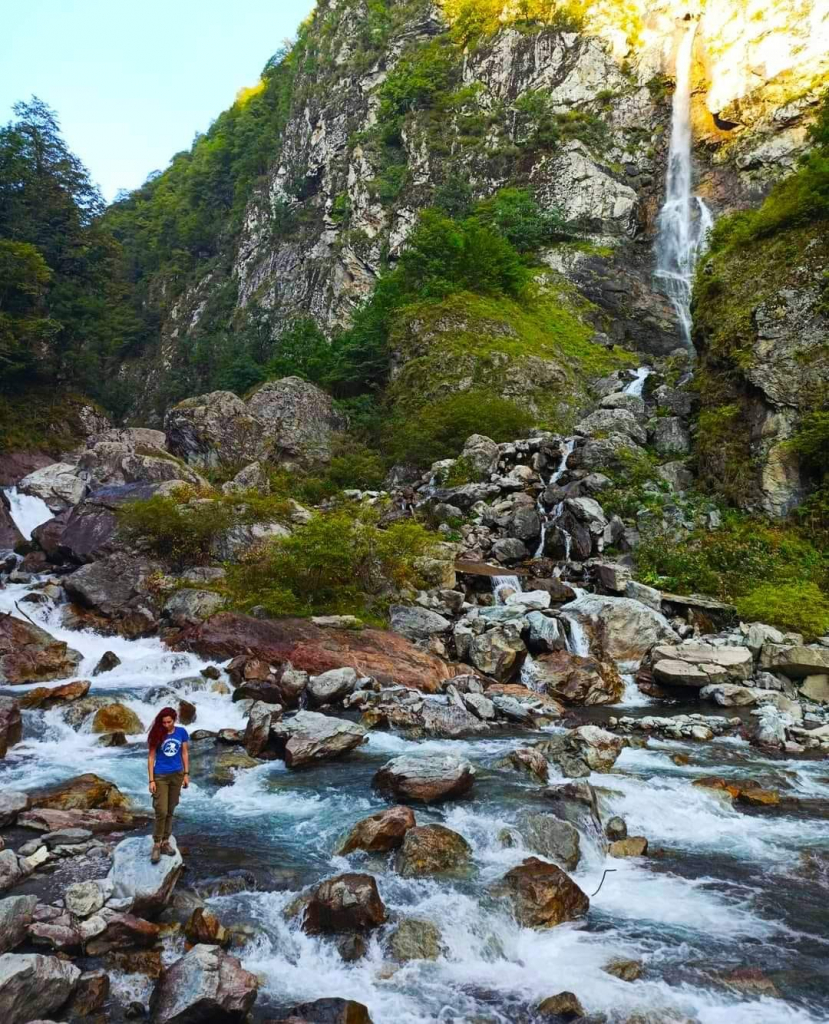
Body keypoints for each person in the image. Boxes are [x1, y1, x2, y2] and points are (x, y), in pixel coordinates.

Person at [147, 706, 189, 863]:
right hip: (161, 776)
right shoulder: (157, 734)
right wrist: (151, 780)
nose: (166, 725)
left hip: (177, 775)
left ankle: (166, 841)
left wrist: (186, 774)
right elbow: (151, 758)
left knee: (171, 809)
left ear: (174, 720)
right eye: (163, 722)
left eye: (169, 722)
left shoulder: (181, 732)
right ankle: (156, 844)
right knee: (161, 810)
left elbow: (184, 753)